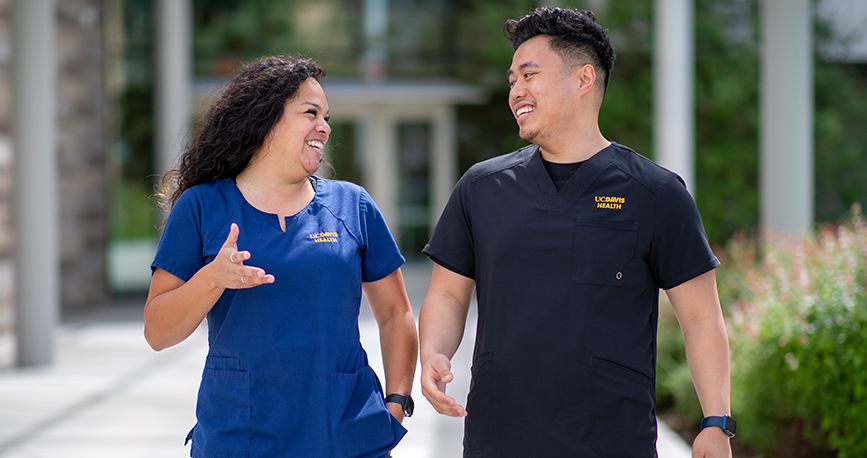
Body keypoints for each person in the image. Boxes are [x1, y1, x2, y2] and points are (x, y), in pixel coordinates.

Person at [419, 7, 733, 458]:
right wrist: (434, 352)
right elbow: (448, 294)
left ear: (584, 79)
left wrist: (715, 422)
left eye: (529, 75)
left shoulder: (656, 193)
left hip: (611, 443)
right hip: (497, 441)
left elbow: (701, 317)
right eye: (512, 80)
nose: (516, 91)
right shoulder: (481, 188)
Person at [144, 55, 418, 458]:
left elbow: (396, 313)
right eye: (311, 113)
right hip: (241, 436)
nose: (324, 127)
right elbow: (157, 332)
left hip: (345, 435)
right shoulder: (201, 208)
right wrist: (212, 278)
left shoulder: (352, 205)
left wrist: (396, 405)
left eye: (326, 116)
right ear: (265, 118)